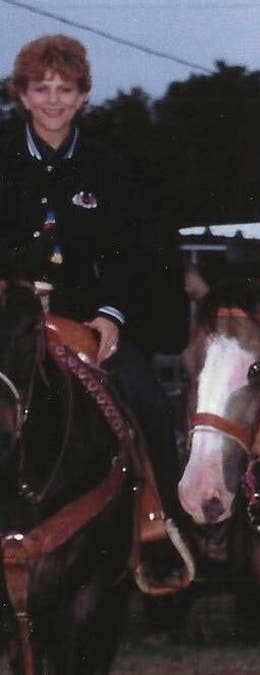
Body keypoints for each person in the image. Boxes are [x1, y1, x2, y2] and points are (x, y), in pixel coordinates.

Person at [0, 35, 180, 515]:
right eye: (41, 89)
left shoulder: (110, 167)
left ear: (82, 97)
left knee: (153, 409)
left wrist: (111, 315)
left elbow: (132, 252)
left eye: (65, 89)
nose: (53, 101)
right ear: (21, 96)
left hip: (90, 323)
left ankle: (164, 528)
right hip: (8, 325)